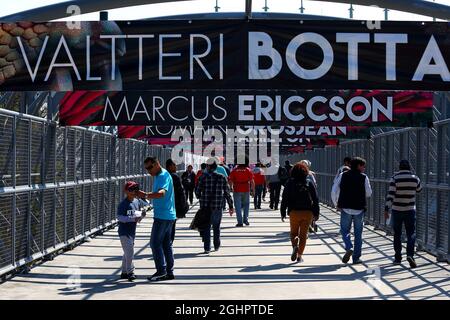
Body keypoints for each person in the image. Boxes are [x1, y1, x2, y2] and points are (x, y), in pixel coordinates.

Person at [139, 157, 176, 281]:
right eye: (146, 169)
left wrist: (145, 195)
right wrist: (145, 195)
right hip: (167, 215)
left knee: (155, 243)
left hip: (163, 216)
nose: (148, 171)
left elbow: (161, 194)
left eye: (150, 167)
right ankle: (169, 272)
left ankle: (161, 270)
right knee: (166, 244)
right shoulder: (160, 175)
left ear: (156, 164)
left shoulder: (163, 176)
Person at [331, 157, 372, 265]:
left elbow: (334, 189)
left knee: (345, 231)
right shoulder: (364, 177)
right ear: (358, 166)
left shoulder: (343, 175)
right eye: (363, 166)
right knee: (358, 234)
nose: (364, 168)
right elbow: (369, 193)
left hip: (345, 207)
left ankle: (349, 246)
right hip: (359, 209)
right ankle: (356, 258)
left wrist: (336, 204)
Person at [384, 160, 422, 268]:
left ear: (399, 167)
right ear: (409, 167)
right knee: (411, 233)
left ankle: (397, 258)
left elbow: (391, 195)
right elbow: (419, 190)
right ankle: (410, 255)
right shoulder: (415, 178)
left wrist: (386, 209)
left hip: (397, 210)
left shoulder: (394, 178)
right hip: (410, 209)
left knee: (397, 234)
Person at [280, 162, 320, 263]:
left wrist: (283, 212)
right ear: (305, 172)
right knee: (303, 235)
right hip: (307, 212)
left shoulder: (289, 183)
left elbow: (284, 198)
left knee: (293, 233)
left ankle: (294, 245)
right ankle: (299, 256)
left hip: (294, 211)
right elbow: (315, 199)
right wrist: (316, 213)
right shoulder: (309, 182)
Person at [195, 157, 234, 253]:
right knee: (216, 227)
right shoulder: (222, 177)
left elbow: (197, 193)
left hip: (205, 206)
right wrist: (230, 206)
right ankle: (216, 245)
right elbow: (227, 193)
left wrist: (201, 196)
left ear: (208, 166)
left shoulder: (202, 177)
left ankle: (207, 248)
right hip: (217, 206)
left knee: (206, 226)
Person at [117, 181, 147, 281]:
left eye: (135, 189)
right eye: (130, 189)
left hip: (132, 231)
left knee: (127, 252)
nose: (133, 191)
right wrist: (131, 219)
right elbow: (120, 217)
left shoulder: (136, 202)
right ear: (125, 191)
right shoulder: (123, 204)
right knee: (130, 252)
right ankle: (130, 271)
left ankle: (124, 272)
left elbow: (137, 215)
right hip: (124, 232)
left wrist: (141, 216)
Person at [166, 159, 189, 242]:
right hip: (174, 205)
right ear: (170, 166)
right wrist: (184, 205)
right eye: (174, 165)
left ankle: (167, 244)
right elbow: (181, 192)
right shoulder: (174, 176)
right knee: (172, 226)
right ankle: (169, 245)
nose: (176, 167)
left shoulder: (164, 175)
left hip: (166, 205)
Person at [229, 158, 254, 227]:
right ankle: (245, 219)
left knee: (237, 206)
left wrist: (230, 187)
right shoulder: (248, 170)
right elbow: (252, 181)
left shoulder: (234, 171)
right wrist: (253, 190)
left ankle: (240, 222)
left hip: (237, 188)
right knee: (246, 205)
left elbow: (230, 180)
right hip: (246, 188)